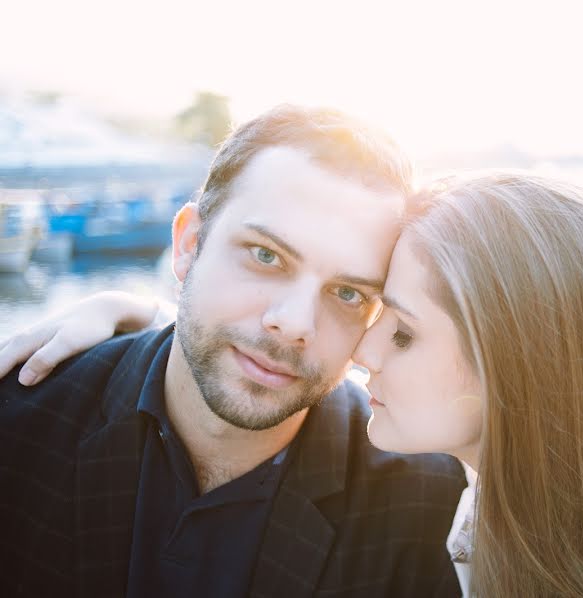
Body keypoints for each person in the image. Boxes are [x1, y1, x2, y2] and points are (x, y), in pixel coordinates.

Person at [2, 177, 583, 596]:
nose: (360, 350)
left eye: (398, 325)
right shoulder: (482, 507)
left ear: (520, 359)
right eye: (373, 310)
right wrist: (164, 319)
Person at [0, 105, 466, 598]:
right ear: (188, 244)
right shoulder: (21, 425)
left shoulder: (419, 502)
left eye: (347, 293)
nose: (294, 323)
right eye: (266, 256)